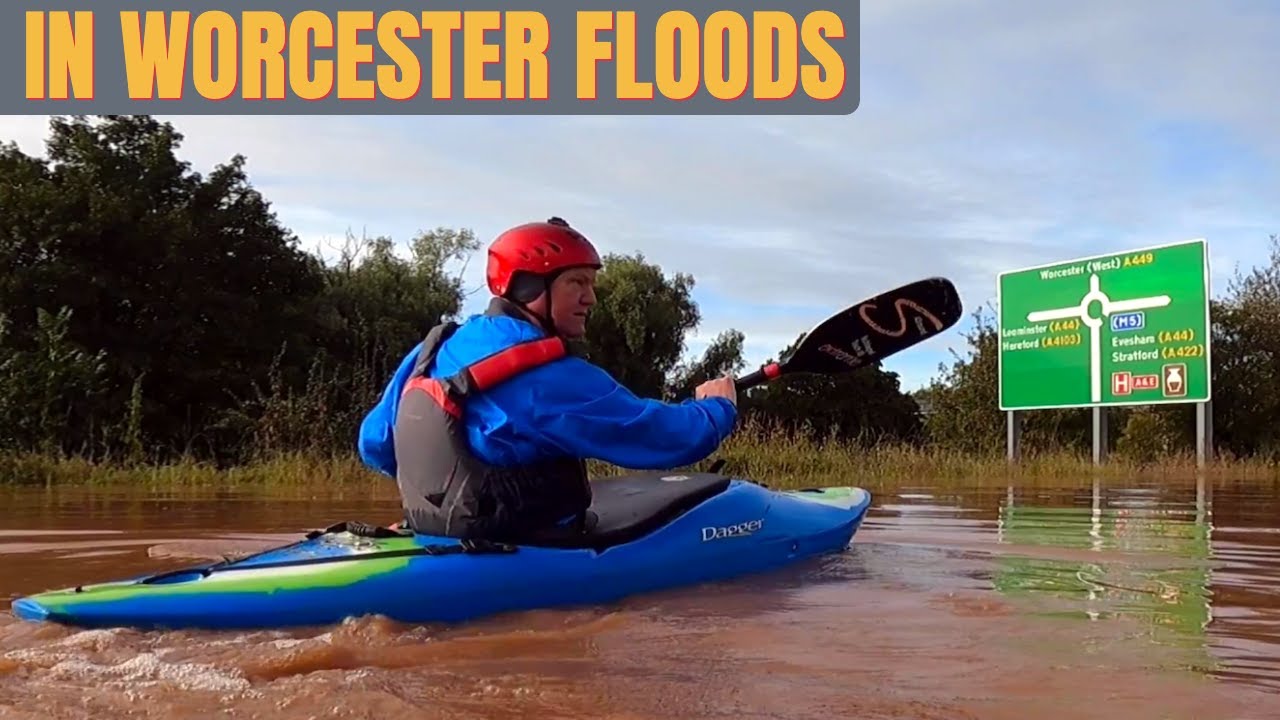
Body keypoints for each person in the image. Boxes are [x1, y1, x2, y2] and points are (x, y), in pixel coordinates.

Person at [357, 216, 739, 544]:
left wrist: (440, 500)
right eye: (577, 282)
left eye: (591, 284)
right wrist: (717, 407)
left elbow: (374, 442)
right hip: (523, 543)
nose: (590, 298)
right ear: (530, 288)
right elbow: (664, 437)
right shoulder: (545, 377)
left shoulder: (434, 349)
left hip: (436, 531)